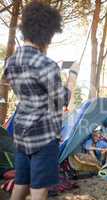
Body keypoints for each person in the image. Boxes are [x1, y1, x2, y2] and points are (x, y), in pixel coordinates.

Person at [3, 2, 70, 200]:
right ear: (46, 34)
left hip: (21, 132)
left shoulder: (11, 62)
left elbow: (28, 93)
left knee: (21, 182)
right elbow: (61, 102)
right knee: (39, 188)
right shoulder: (46, 64)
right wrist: (72, 78)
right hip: (43, 135)